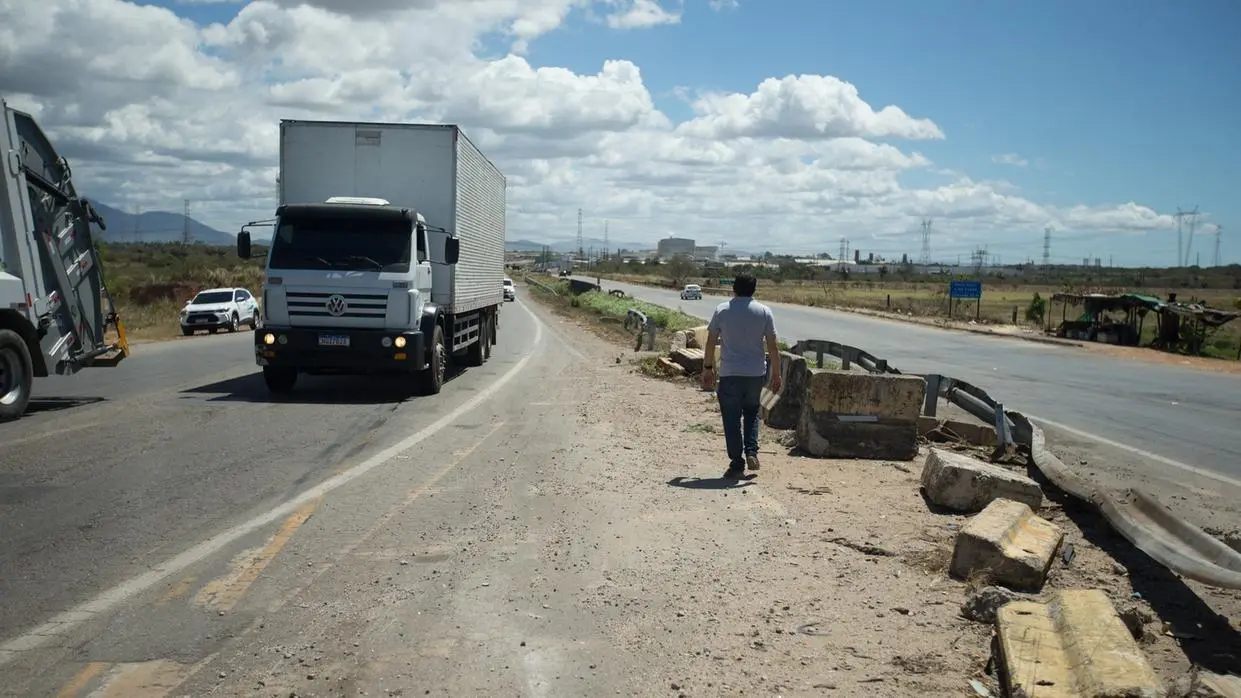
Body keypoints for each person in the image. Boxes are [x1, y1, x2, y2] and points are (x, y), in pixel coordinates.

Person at [700, 273, 782, 479]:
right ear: (754, 290)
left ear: (733, 288)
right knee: (753, 412)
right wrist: (777, 374)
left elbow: (711, 342)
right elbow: (773, 347)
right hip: (756, 373)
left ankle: (737, 462)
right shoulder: (764, 312)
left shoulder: (722, 310)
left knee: (731, 418)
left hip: (729, 373)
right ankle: (752, 451)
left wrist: (708, 368)